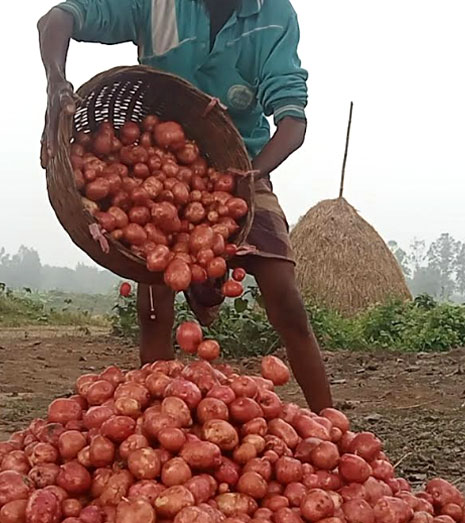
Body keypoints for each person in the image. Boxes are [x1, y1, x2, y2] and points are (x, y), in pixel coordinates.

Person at [37, 0, 333, 412]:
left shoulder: (274, 16)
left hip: (242, 165)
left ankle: (331, 425)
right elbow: (58, 18)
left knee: (285, 298)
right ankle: (158, 417)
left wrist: (252, 175)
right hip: (152, 165)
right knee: (154, 309)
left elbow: (292, 122)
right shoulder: (156, 5)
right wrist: (56, 82)